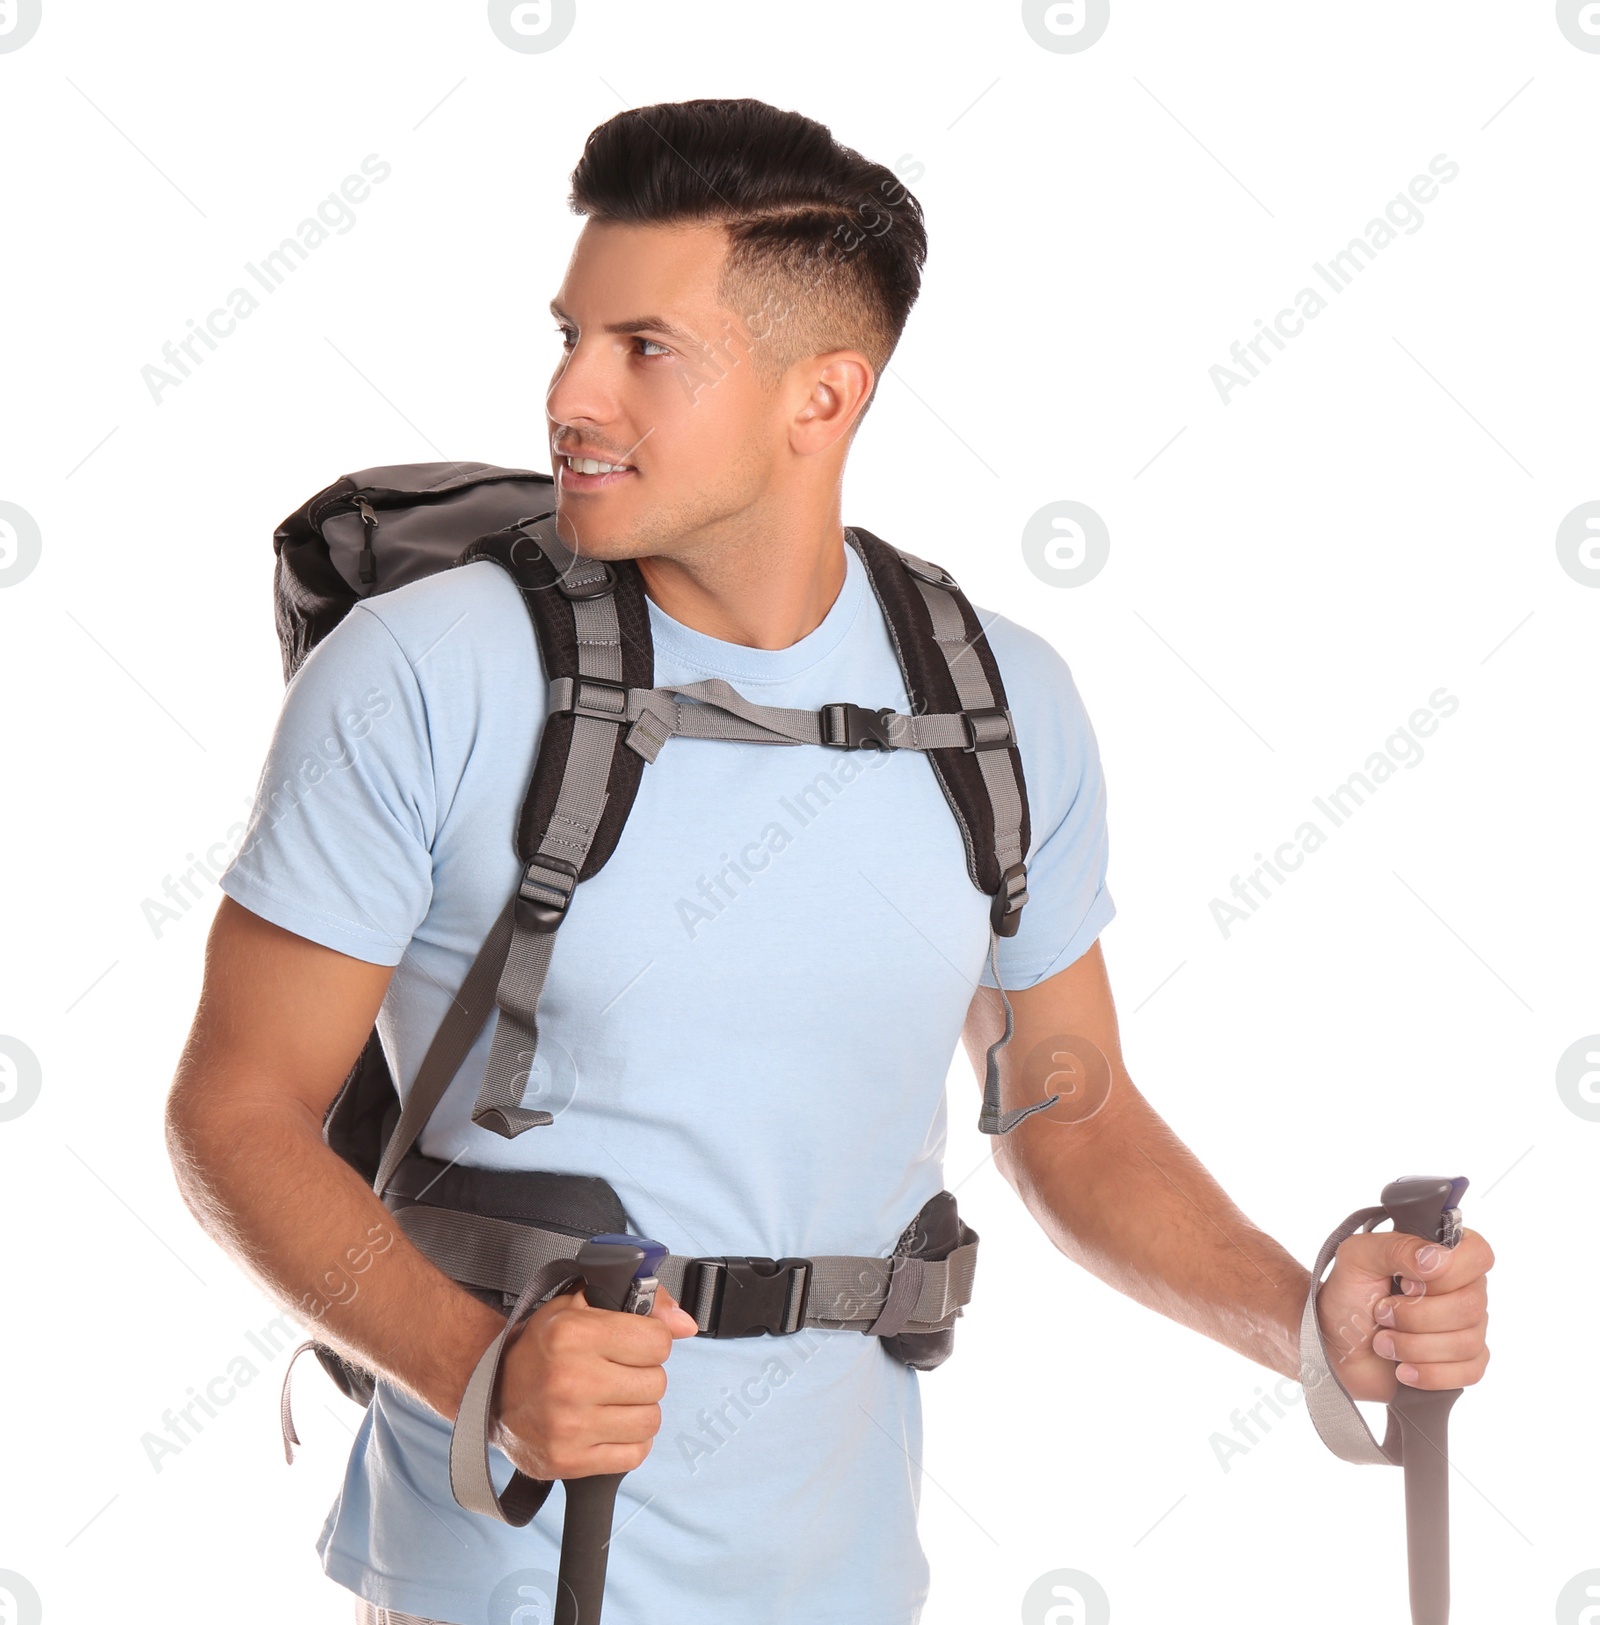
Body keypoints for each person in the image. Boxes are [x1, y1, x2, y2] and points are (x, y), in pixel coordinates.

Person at [163, 97, 1493, 1625]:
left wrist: (1307, 1322)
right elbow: (234, 1110)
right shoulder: (422, 673)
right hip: (511, 1568)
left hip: (850, 1576)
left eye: (643, 349)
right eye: (569, 334)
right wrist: (485, 1375)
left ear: (824, 395)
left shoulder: (992, 700)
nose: (571, 394)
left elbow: (1075, 1111)